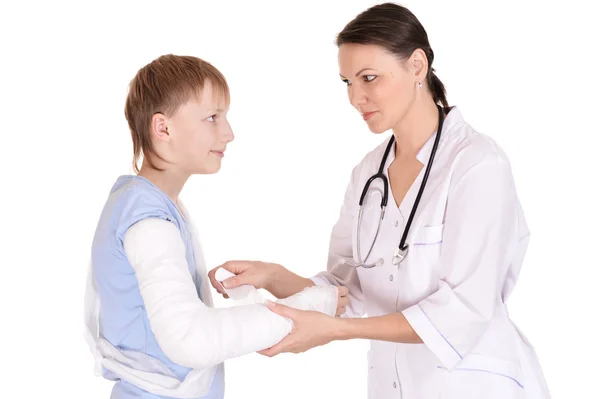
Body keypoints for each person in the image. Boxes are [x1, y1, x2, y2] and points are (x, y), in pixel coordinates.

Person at [209, 3, 550, 398]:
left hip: (475, 384)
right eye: (347, 82)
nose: (356, 97)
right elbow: (345, 293)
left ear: (417, 66)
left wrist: (338, 333)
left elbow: (464, 309)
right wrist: (274, 277)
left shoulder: (477, 164)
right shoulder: (369, 174)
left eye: (369, 78)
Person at [83, 54, 346, 399]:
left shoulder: (154, 206)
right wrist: (311, 306)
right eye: (212, 118)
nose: (229, 133)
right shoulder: (146, 217)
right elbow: (191, 340)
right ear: (163, 128)